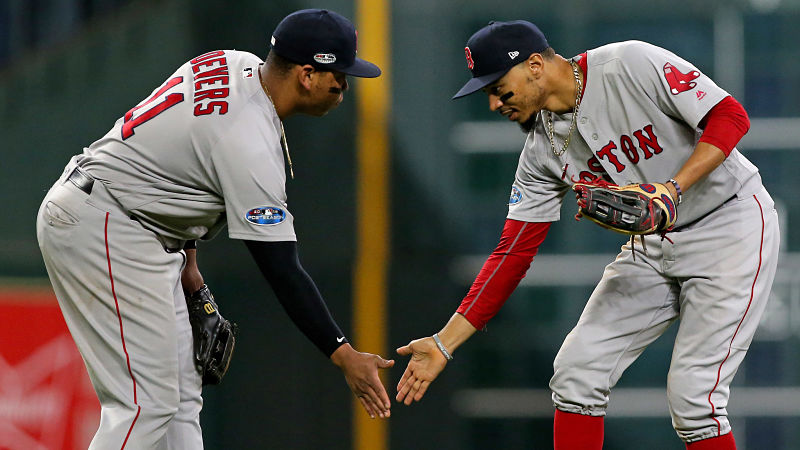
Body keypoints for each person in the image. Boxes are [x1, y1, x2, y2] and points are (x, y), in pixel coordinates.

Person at [395, 20, 779, 450]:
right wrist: (444, 344)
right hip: (654, 245)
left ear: (535, 65)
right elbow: (512, 255)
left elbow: (730, 116)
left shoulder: (630, 63)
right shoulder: (541, 151)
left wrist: (672, 188)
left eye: (499, 87)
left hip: (730, 227)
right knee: (577, 373)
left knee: (694, 399)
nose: (493, 103)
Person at [36, 8, 394, 449]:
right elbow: (282, 269)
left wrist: (189, 262)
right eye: (339, 74)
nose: (344, 85)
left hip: (130, 220)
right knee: (144, 403)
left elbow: (175, 158)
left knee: (181, 392)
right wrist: (344, 354)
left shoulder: (233, 61)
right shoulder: (250, 143)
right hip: (106, 224)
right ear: (306, 75)